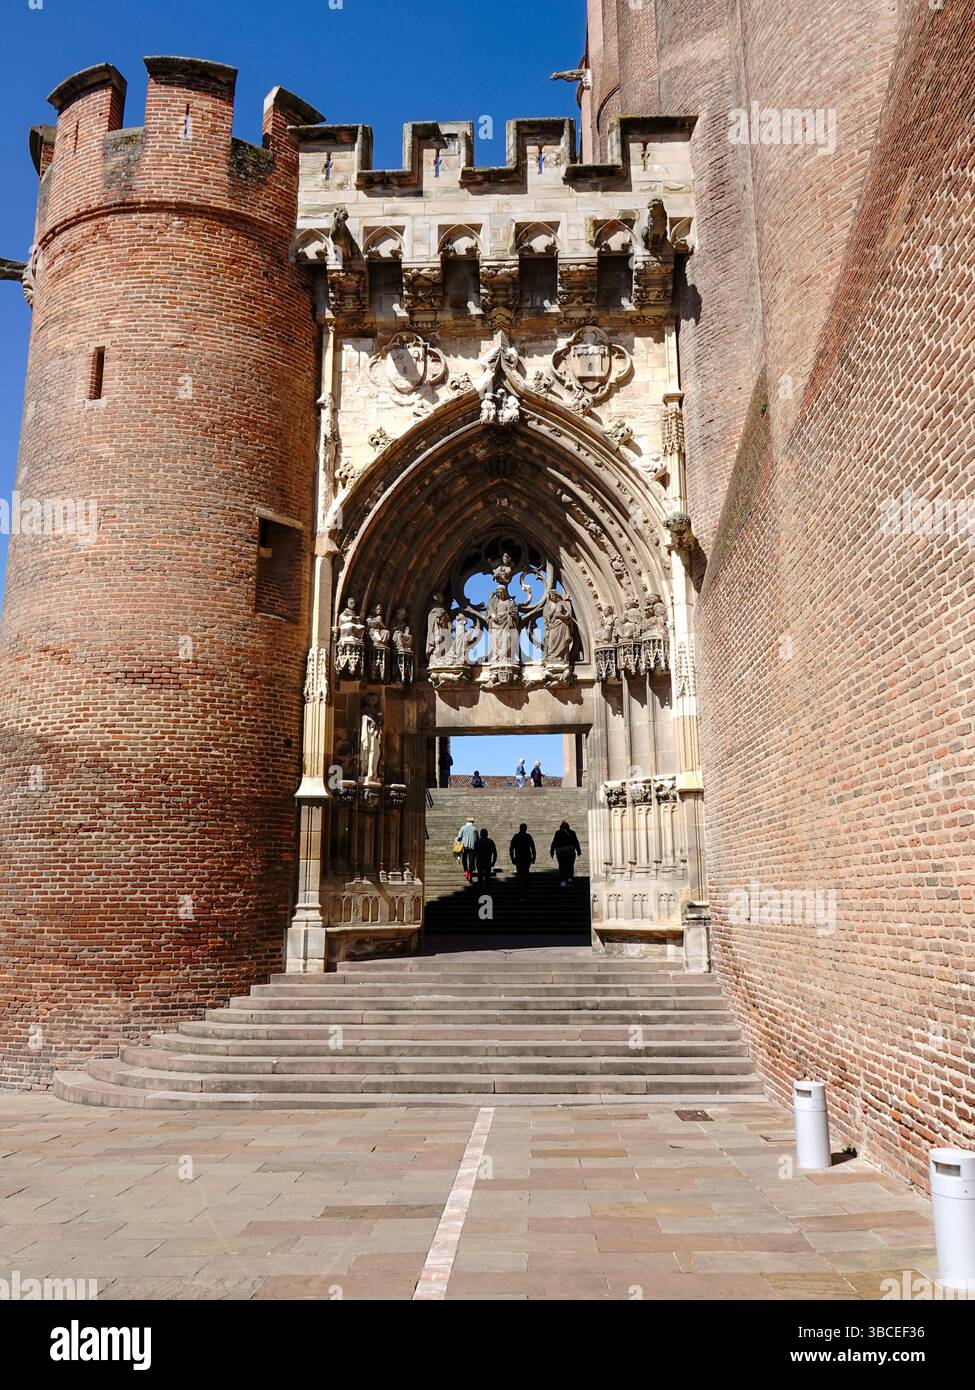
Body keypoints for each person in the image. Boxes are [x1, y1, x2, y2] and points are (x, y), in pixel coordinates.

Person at [508, 823, 536, 899]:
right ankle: (527, 886)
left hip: (519, 858)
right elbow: (533, 847)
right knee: (526, 872)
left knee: (520, 874)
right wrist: (534, 857)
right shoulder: (528, 836)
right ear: (526, 829)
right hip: (527, 858)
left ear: (520, 828)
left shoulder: (516, 836)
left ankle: (521, 890)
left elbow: (511, 848)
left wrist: (512, 858)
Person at [550, 820, 581, 887]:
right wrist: (578, 851)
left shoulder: (558, 833)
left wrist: (552, 851)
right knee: (570, 865)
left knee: (562, 866)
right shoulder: (572, 832)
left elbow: (554, 842)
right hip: (570, 850)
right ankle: (569, 878)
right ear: (568, 826)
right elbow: (576, 842)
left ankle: (563, 880)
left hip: (560, 852)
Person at [456, 816, 478, 882]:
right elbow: (477, 838)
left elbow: (459, 837)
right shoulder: (475, 829)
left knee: (464, 859)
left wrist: (457, 839)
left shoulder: (463, 828)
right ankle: (470, 873)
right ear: (472, 822)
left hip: (464, 846)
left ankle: (466, 870)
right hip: (472, 847)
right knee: (471, 861)